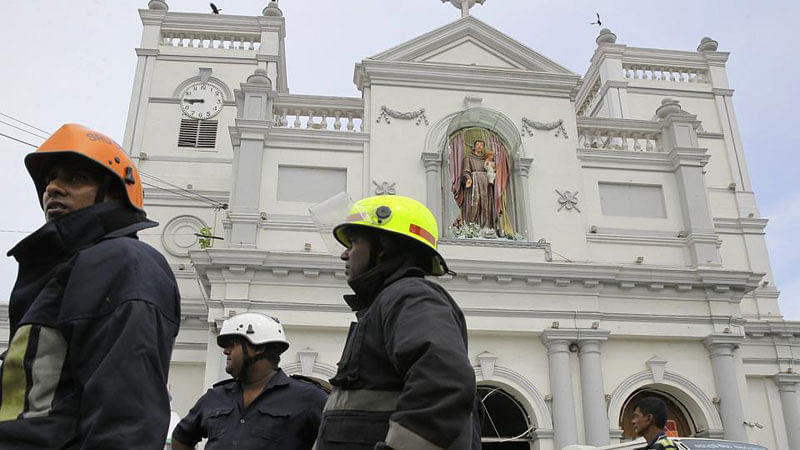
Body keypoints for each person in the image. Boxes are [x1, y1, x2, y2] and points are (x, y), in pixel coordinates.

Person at [0, 123, 181, 447]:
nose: (53, 188)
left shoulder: (123, 262)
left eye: (74, 178)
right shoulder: (62, 269)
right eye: (49, 179)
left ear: (113, 192)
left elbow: (126, 415)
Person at [315, 195, 480, 450]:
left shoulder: (410, 295)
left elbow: (444, 382)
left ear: (384, 248)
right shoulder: (389, 302)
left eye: (354, 242)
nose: (344, 255)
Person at [171, 312, 327, 450]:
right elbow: (181, 438)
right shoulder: (214, 397)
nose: (225, 351)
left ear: (258, 348)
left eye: (233, 344)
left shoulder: (308, 398)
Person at [461, 139, 495, 229]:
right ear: (474, 146)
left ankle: (485, 225)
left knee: (485, 203)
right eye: (478, 144)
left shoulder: (486, 159)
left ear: (483, 147)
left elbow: (491, 169)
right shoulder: (468, 158)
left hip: (485, 182)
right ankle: (472, 225)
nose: (479, 146)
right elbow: (465, 170)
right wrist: (468, 178)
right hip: (474, 181)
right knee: (476, 201)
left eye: (481, 144)